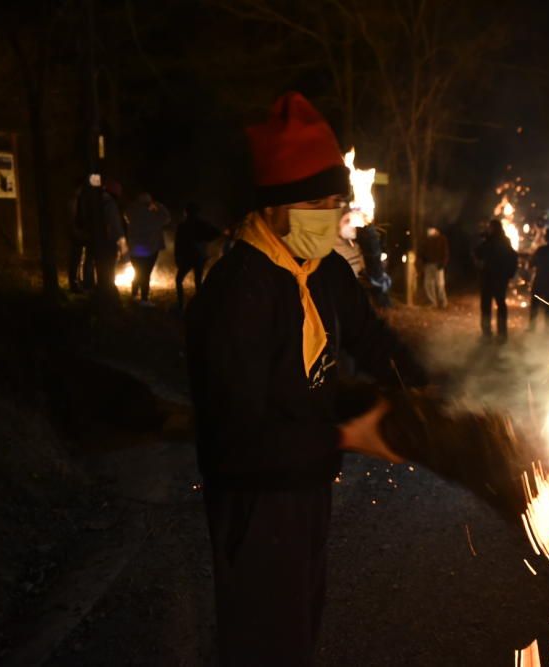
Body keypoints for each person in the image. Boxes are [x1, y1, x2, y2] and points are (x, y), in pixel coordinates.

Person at [185, 92, 427, 667]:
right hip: (256, 497)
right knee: (263, 641)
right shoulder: (237, 295)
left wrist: (421, 388)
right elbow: (238, 439)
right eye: (314, 202)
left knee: (300, 627)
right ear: (272, 208)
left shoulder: (325, 270)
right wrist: (345, 436)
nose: (330, 214)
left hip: (307, 481)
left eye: (333, 200)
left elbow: (372, 341)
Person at [475, 218, 518, 341]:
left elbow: (478, 252)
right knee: (500, 304)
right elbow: (513, 256)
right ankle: (502, 333)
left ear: (493, 228)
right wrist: (509, 274)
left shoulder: (490, 242)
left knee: (486, 306)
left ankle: (487, 332)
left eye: (490, 227)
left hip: (490, 278)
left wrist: (485, 238)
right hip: (499, 278)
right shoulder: (505, 241)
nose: (488, 229)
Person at [124, 192, 171, 303]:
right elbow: (167, 218)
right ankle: (144, 300)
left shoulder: (131, 215)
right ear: (150, 203)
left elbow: (126, 213)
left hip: (134, 250)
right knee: (145, 274)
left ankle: (134, 295)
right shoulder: (155, 216)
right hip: (151, 250)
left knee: (138, 272)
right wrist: (158, 206)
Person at [174, 202, 221, 311]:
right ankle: (200, 305)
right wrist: (206, 239)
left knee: (179, 280)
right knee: (198, 281)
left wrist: (177, 257)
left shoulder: (183, 226)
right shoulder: (202, 224)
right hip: (200, 256)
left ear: (186, 212)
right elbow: (217, 233)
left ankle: (181, 304)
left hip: (187, 256)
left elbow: (178, 243)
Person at [528, 227, 549, 332]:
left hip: (540, 280)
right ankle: (547, 328)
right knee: (547, 303)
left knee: (535, 304)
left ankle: (532, 327)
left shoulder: (542, 250)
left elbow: (531, 263)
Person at [419, 226, 449, 308]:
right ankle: (432, 302)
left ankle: (443, 302)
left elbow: (445, 252)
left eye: (431, 230)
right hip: (428, 265)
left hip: (438, 264)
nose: (429, 231)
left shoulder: (442, 239)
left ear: (436, 230)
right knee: (428, 284)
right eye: (429, 230)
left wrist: (443, 263)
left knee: (440, 284)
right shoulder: (426, 240)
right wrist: (422, 263)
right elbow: (422, 252)